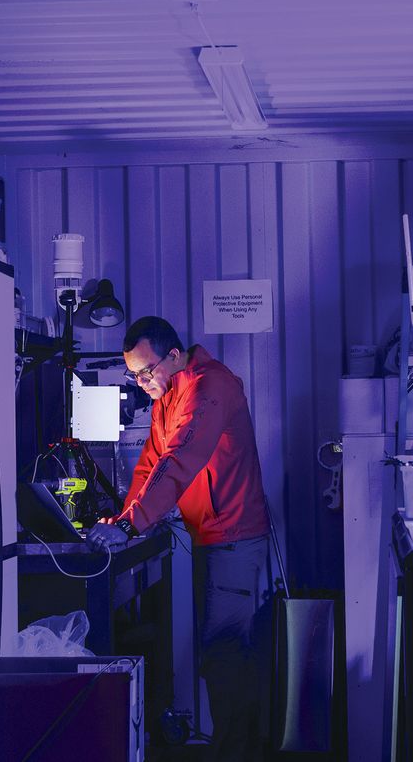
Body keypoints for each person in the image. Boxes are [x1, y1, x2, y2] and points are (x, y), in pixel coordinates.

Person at [88, 316, 271, 761]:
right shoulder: (169, 397)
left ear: (174, 355)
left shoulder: (209, 387)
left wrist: (132, 525)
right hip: (213, 538)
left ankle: (239, 755)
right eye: (134, 375)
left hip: (233, 538)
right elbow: (150, 467)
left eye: (146, 372)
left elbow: (180, 458)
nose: (142, 382)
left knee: (224, 656)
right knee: (220, 653)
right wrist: (124, 520)